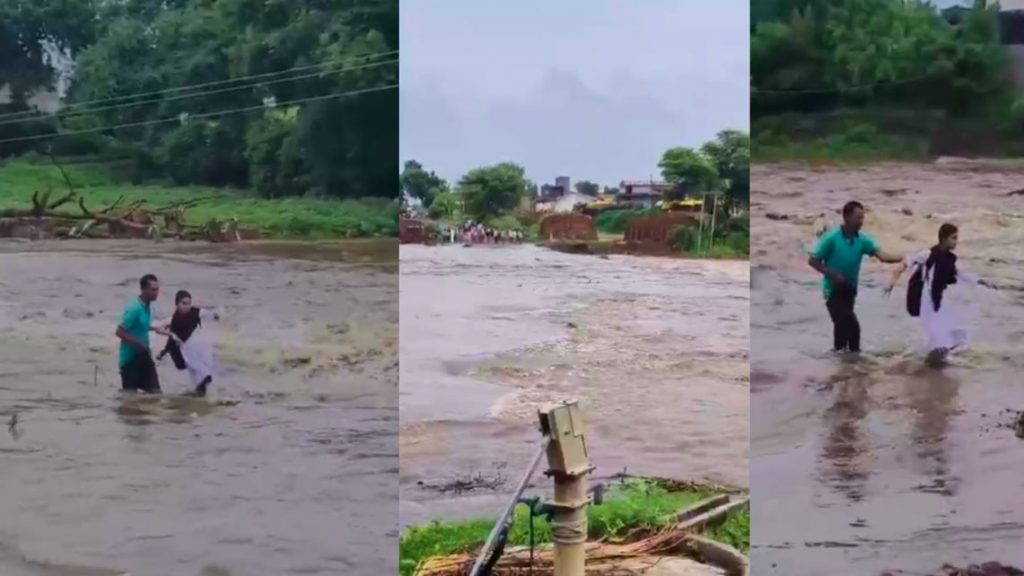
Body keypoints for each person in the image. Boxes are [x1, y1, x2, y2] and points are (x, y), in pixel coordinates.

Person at [884, 223, 989, 365]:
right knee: (941, 339)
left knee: (959, 335)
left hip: (937, 300)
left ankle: (931, 359)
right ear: (944, 239)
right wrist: (891, 282)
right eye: (953, 238)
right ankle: (932, 366)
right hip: (924, 301)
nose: (956, 241)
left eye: (956, 238)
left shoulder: (950, 259)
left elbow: (961, 274)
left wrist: (981, 281)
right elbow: (905, 263)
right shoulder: (927, 254)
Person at [808, 201, 903, 353]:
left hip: (850, 289)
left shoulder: (863, 240)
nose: (861, 222)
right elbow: (813, 261)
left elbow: (883, 257)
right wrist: (832, 273)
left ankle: (844, 367)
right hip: (832, 289)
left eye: (862, 218)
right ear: (846, 217)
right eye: (858, 218)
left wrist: (905, 257)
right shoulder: (832, 238)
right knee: (852, 327)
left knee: (842, 328)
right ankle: (852, 362)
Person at [156, 290, 220, 397]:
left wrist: (216, 315)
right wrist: (169, 334)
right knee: (195, 371)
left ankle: (207, 393)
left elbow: (208, 314)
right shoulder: (173, 320)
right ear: (176, 304)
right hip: (188, 350)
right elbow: (159, 328)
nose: (186, 306)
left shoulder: (196, 312)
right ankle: (200, 393)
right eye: (183, 303)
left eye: (189, 303)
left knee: (205, 369)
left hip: (201, 347)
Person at [115, 274, 166, 393]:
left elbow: (139, 326)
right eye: (153, 289)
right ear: (143, 290)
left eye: (157, 289)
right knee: (130, 399)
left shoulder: (148, 308)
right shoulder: (135, 308)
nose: (156, 292)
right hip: (130, 359)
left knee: (155, 393)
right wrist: (138, 343)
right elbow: (119, 331)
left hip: (144, 355)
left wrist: (155, 329)